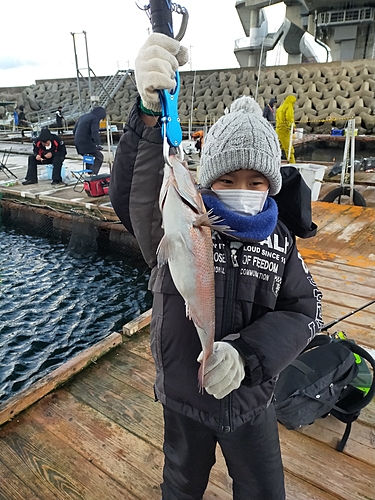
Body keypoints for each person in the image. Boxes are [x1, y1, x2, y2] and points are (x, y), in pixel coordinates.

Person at [109, 33, 323, 500]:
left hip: (251, 399)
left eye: (255, 180)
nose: (241, 188)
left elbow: (305, 311)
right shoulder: (176, 222)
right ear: (205, 181)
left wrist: (246, 355)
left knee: (265, 491)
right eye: (226, 179)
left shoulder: (281, 242)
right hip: (186, 398)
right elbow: (134, 193)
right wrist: (148, 117)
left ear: (272, 185)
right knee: (180, 486)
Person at [73, 106, 106, 174]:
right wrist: (98, 144)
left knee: (88, 156)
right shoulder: (95, 118)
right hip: (86, 142)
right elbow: (94, 132)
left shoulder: (83, 117)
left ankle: (89, 173)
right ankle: (93, 174)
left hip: (77, 143)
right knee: (99, 157)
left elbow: (74, 130)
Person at [276, 95, 296, 163]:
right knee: (289, 149)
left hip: (278, 130)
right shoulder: (289, 106)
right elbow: (289, 118)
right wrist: (293, 127)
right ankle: (293, 165)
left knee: (277, 148)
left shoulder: (280, 107)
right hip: (285, 131)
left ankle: (274, 162)